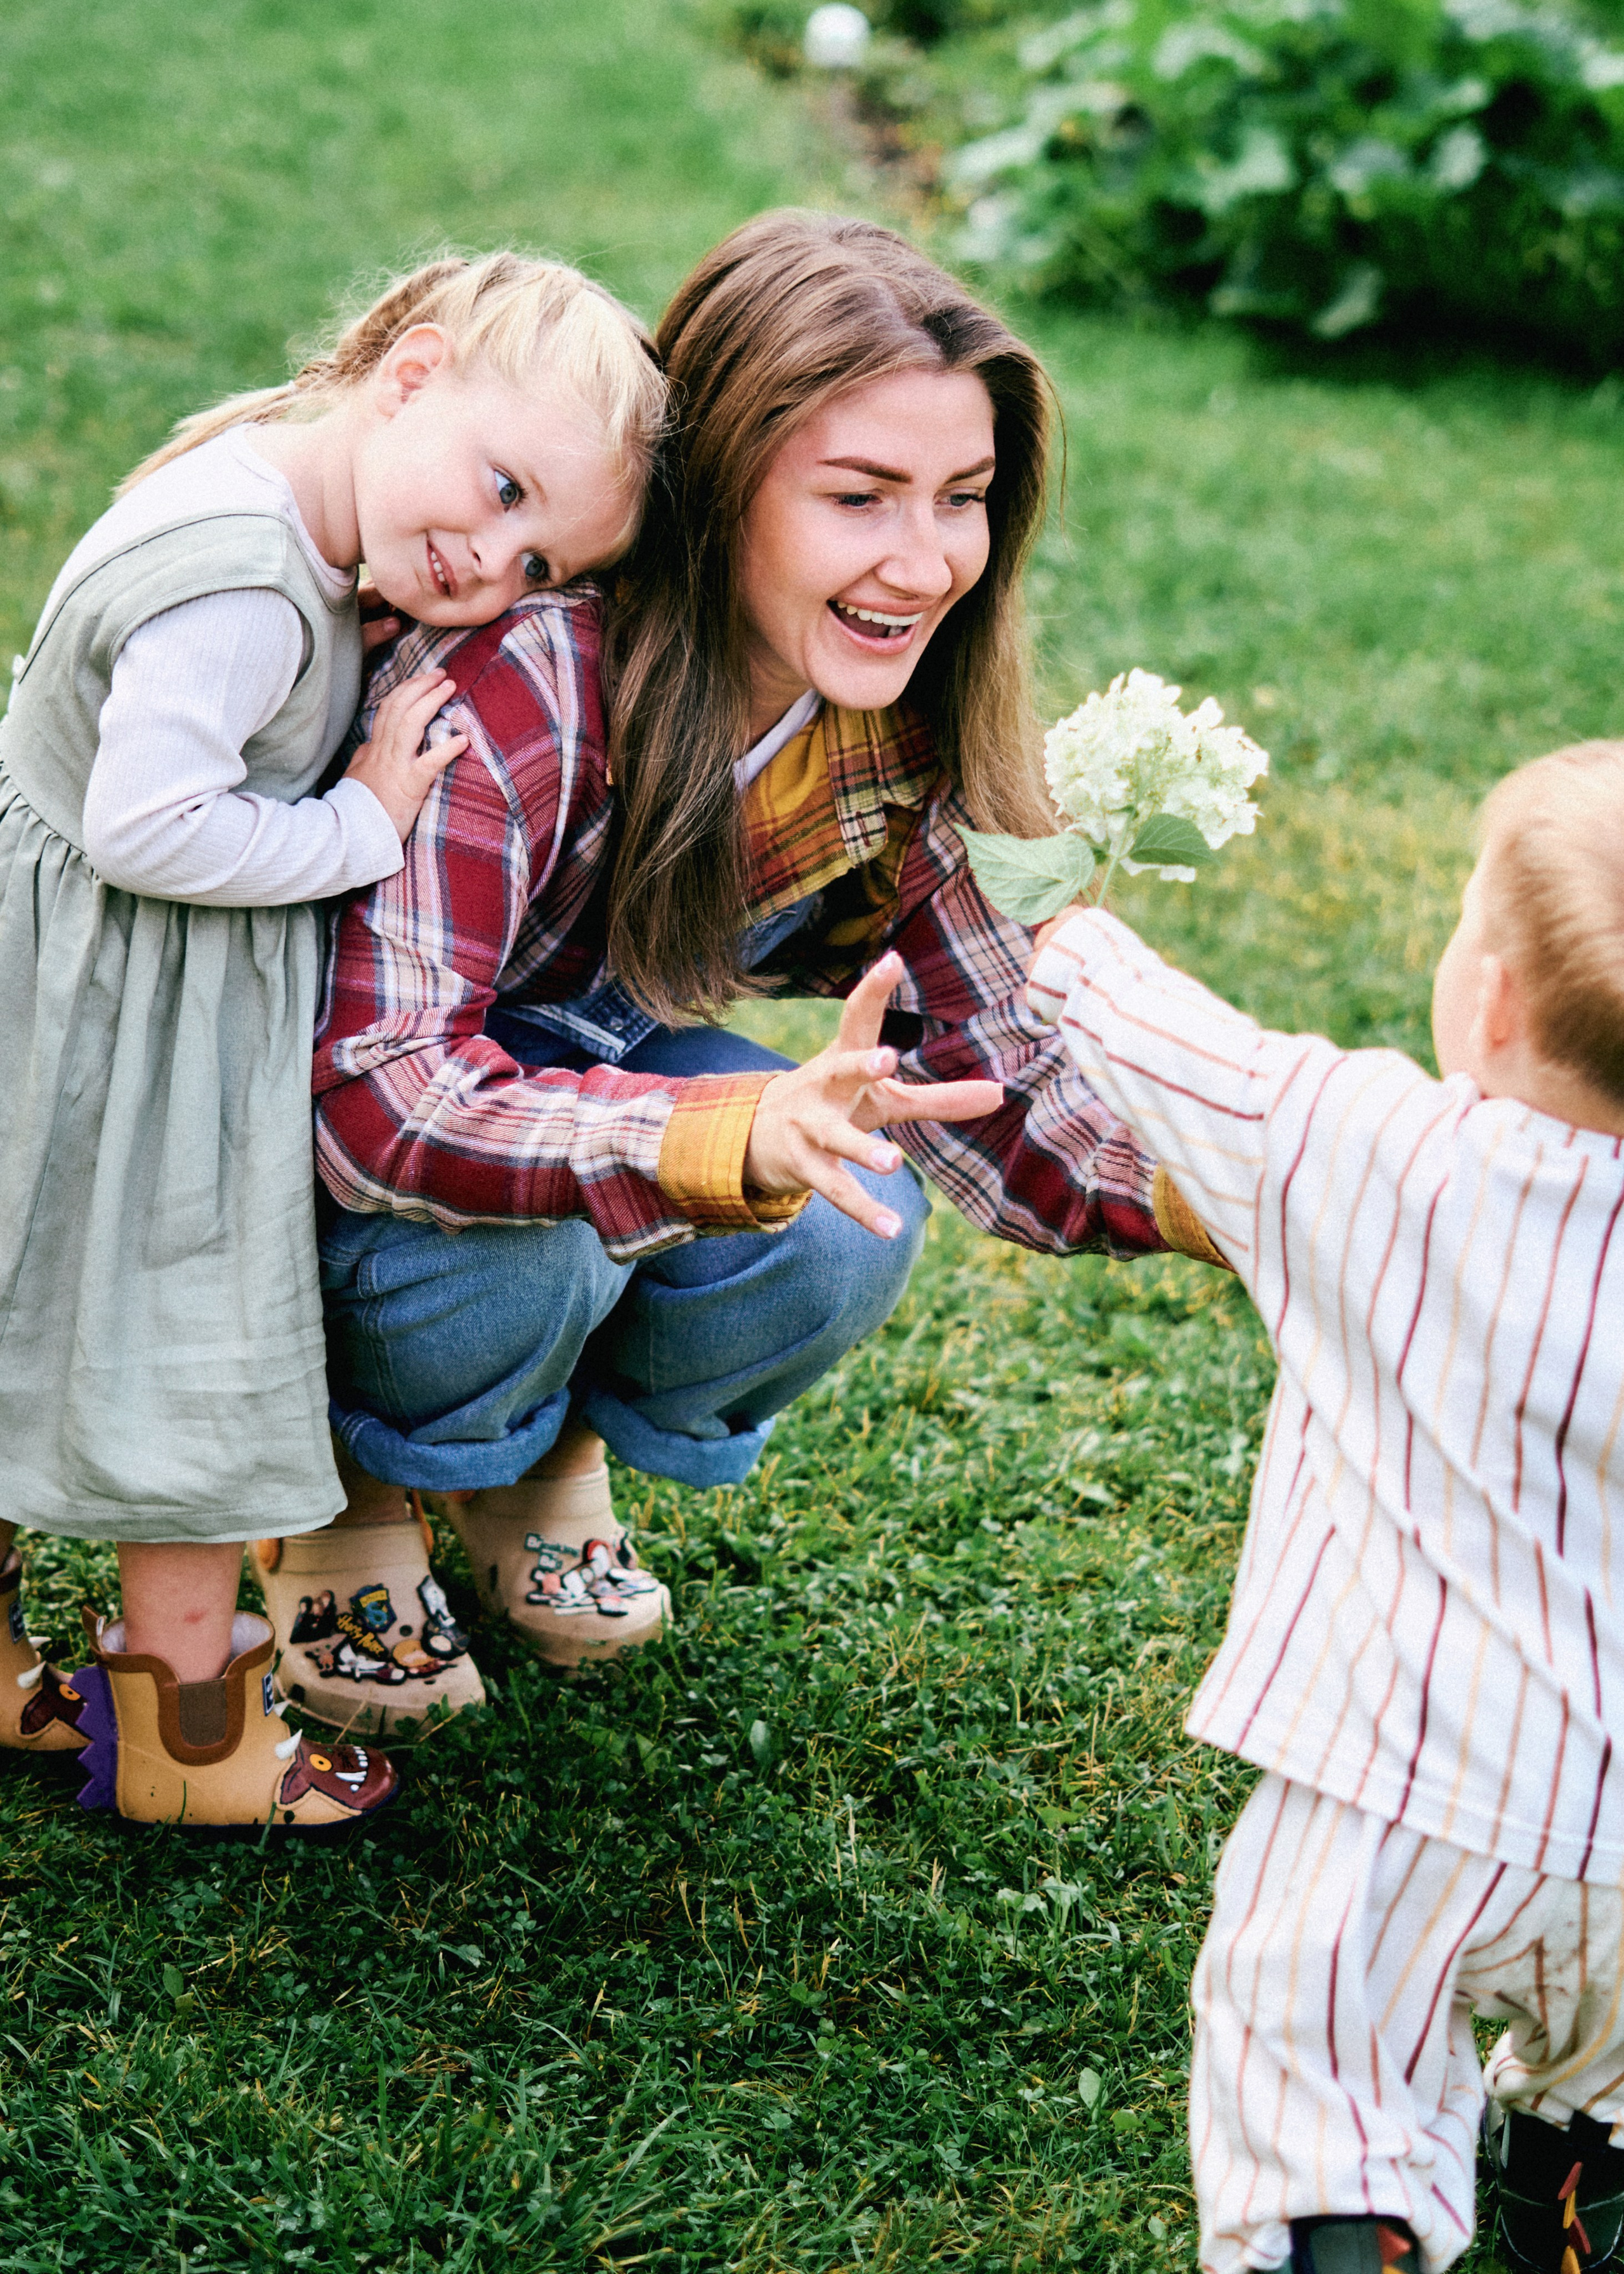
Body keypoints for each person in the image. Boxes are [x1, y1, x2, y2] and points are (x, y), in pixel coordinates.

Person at [284, 209, 1222, 1734]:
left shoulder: (898, 726)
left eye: (963, 499)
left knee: (846, 1215)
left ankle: (536, 1465)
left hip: (566, 1074)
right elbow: (379, 1103)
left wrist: (1229, 1192)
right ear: (720, 485)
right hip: (320, 1140)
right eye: (858, 496)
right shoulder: (528, 678)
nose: (924, 561)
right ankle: (342, 1488)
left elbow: (988, 1068)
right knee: (545, 1240)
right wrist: (704, 1135)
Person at [0, 252, 666, 1827]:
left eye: (535, 556)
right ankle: (188, 1741)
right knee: (180, 1344)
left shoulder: (271, 492)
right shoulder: (243, 586)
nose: (490, 559)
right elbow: (149, 824)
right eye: (501, 488)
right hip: (126, 1013)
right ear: (411, 375)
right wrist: (361, 821)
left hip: (72, 985)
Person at [1026, 740, 1624, 2274]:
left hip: (1395, 1794)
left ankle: (1339, 2230)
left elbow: (1172, 1044)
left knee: (1310, 2056)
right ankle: (1587, 2173)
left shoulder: (1373, 1149)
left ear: (1490, 1002)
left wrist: (1059, 930)